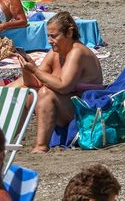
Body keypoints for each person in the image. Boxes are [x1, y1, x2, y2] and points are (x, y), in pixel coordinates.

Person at [15, 12, 104, 152]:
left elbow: (64, 86)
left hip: (87, 109)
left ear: (69, 33)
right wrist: (27, 69)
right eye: (48, 36)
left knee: (45, 93)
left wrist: (36, 70)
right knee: (28, 95)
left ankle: (41, 146)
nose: (50, 40)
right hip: (69, 104)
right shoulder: (55, 53)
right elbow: (33, 83)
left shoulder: (77, 52)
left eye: (54, 36)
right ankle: (7, 140)